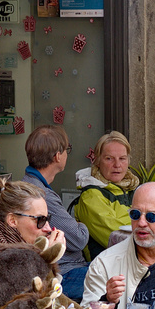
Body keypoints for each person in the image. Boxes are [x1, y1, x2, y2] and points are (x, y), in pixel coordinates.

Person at [23, 125, 91, 296]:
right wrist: (79, 224)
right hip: (64, 273)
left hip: (60, 271)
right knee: (118, 279)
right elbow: (79, 238)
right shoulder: (41, 194)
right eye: (67, 149)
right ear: (58, 156)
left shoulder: (30, 183)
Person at [74, 131, 136, 256]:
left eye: (122, 158)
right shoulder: (91, 195)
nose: (117, 165)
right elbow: (118, 237)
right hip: (108, 269)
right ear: (97, 161)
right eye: (109, 159)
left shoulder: (132, 189)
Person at [0, 175, 65, 251]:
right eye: (40, 220)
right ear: (12, 220)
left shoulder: (25, 251)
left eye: (47, 219)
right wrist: (48, 256)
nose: (48, 229)